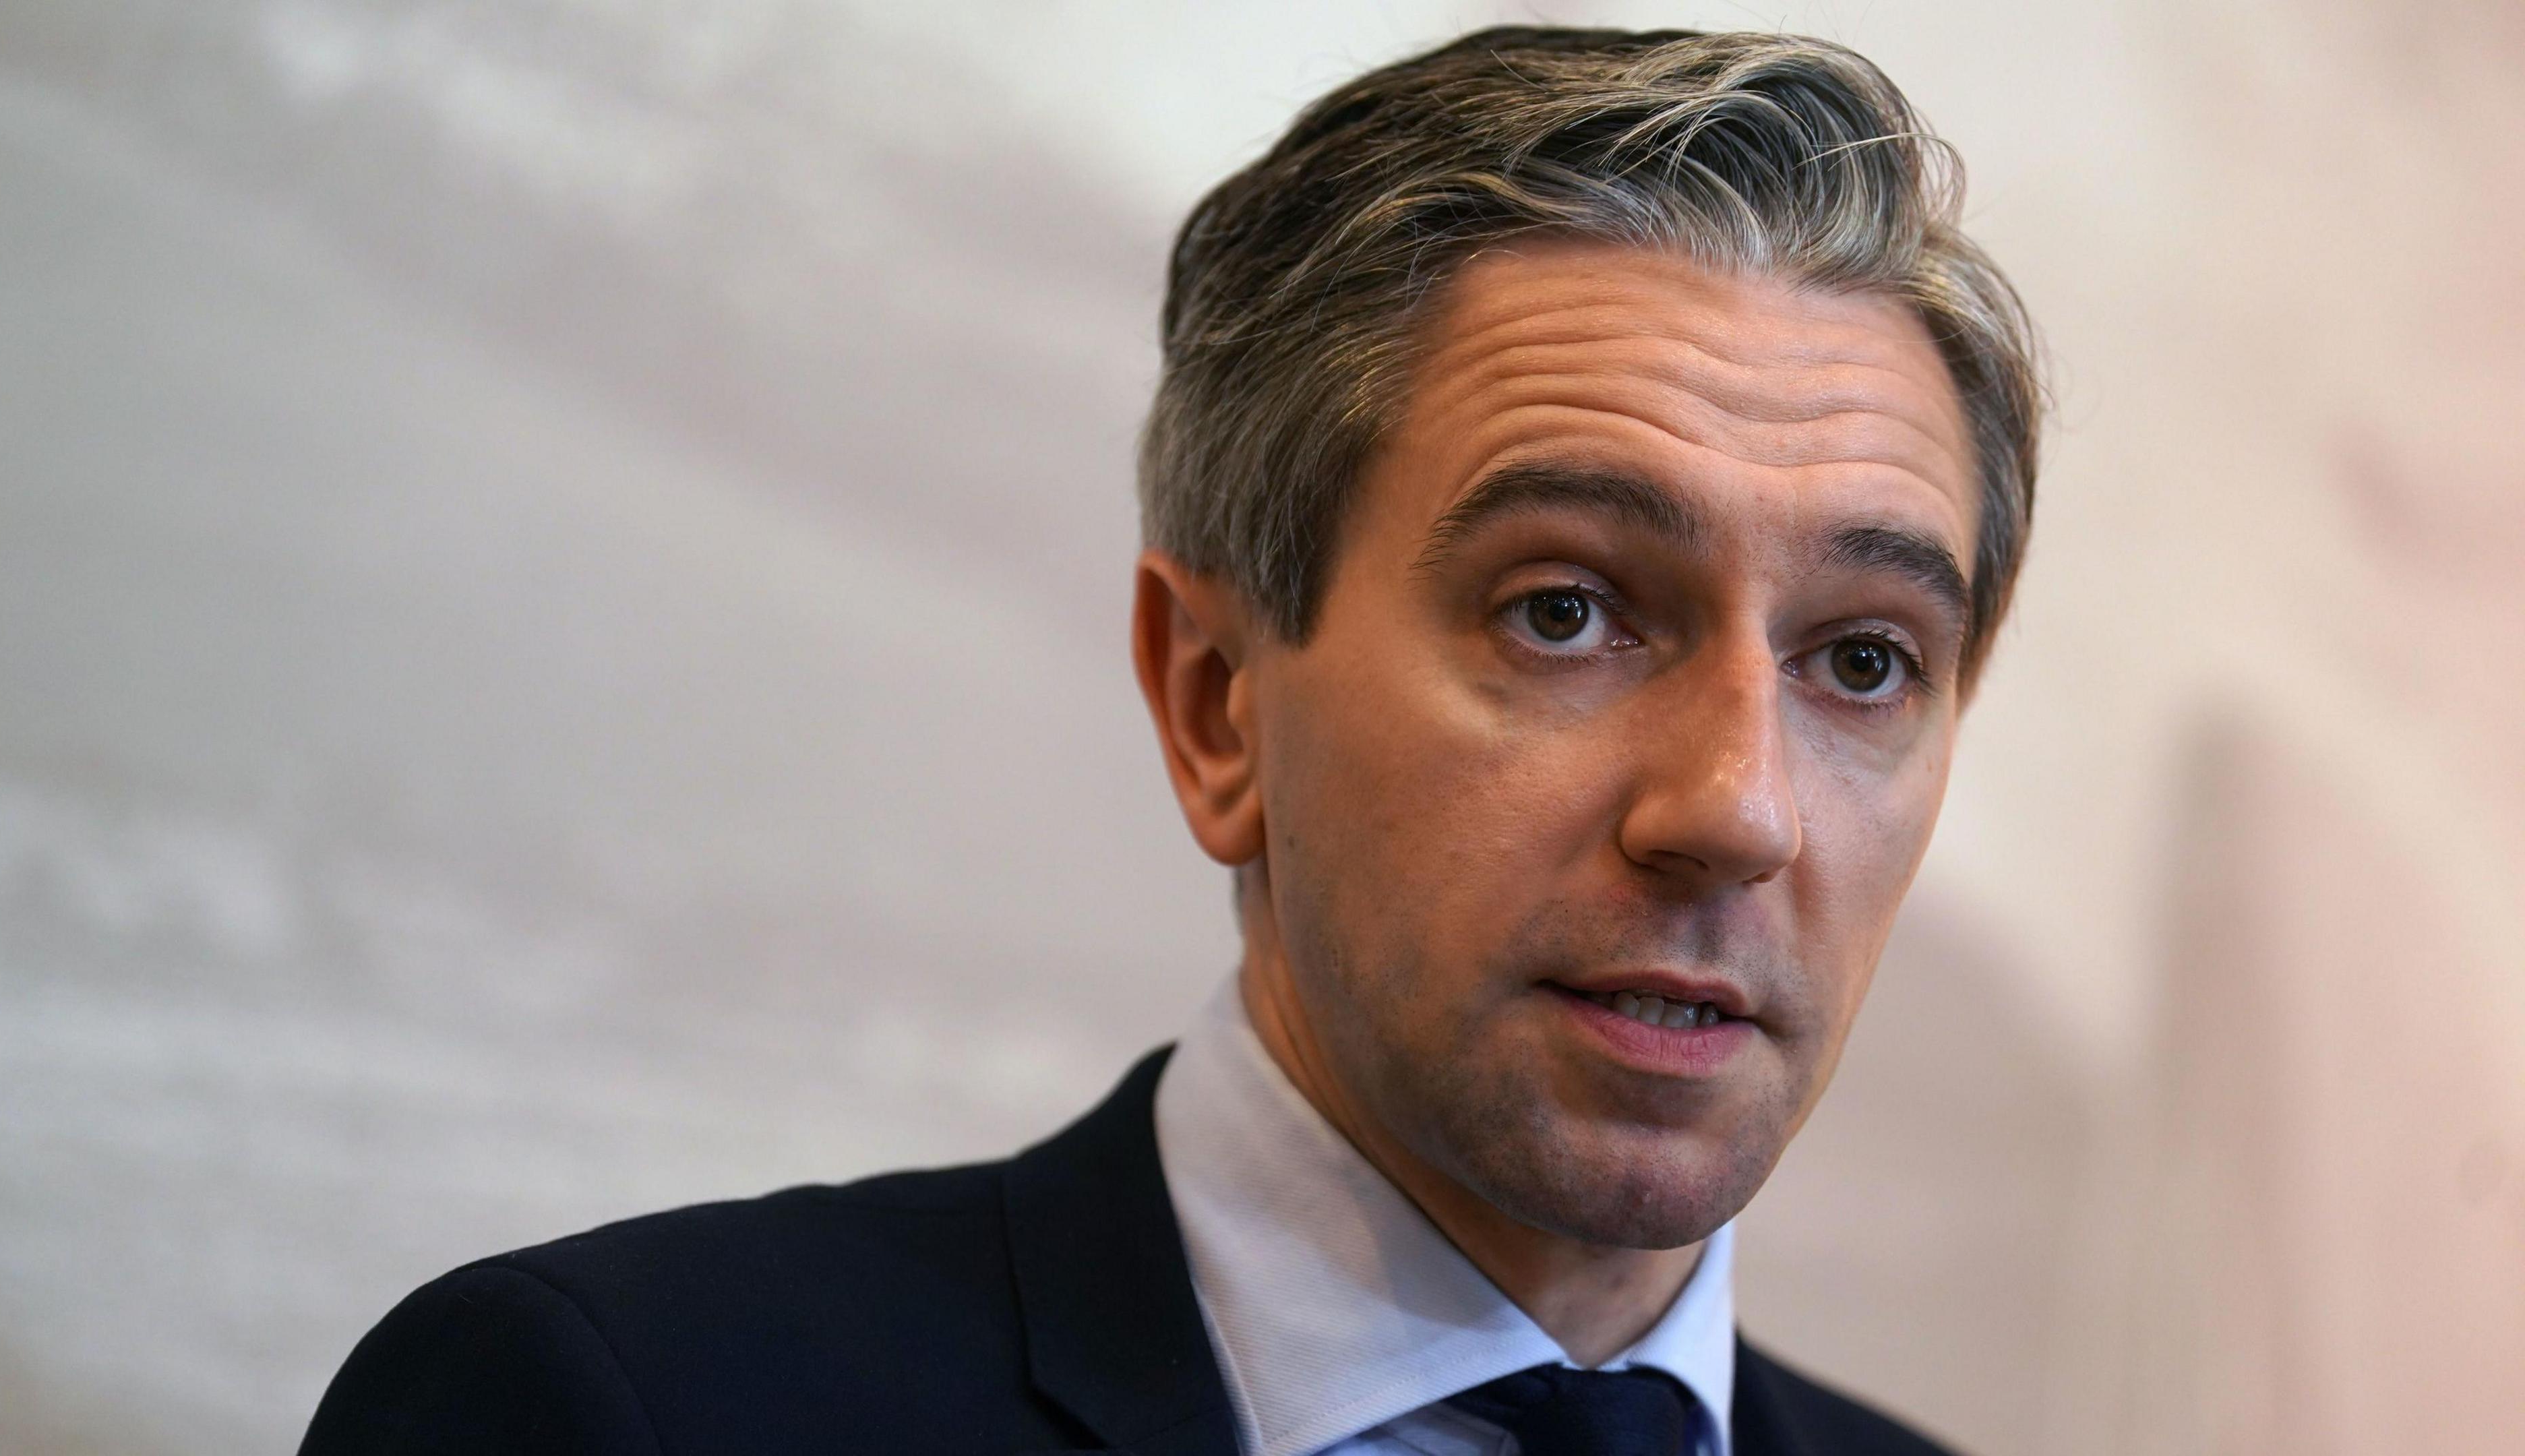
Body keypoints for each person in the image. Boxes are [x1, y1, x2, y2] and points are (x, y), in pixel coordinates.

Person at [299, 26, 2041, 1456]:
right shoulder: (617, 1415)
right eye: (1564, 610)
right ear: (1216, 700)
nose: (1738, 807)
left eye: (1867, 661)